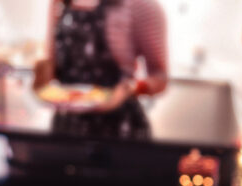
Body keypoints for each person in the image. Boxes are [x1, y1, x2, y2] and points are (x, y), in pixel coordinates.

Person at [35, 0, 168, 140]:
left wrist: (129, 88)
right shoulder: (58, 3)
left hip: (121, 131)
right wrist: (41, 77)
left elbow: (160, 76)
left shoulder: (141, 6)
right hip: (66, 130)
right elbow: (51, 67)